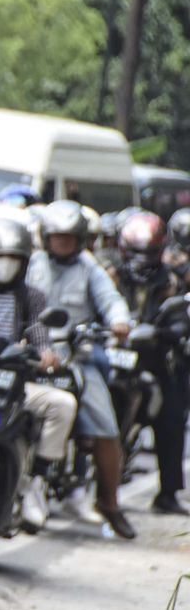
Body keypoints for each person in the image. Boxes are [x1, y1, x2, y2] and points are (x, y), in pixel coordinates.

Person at [0, 217, 78, 532]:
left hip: (14, 387)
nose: (6, 267)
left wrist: (47, 353)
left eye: (13, 260)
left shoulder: (31, 296)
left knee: (63, 404)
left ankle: (36, 484)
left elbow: (39, 329)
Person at [26, 200, 136, 539]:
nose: (62, 243)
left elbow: (111, 299)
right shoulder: (33, 264)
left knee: (105, 426)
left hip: (77, 356)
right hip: (35, 354)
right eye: (56, 237)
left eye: (68, 238)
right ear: (46, 237)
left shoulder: (89, 267)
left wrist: (119, 321)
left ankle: (110, 501)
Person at [111, 210, 189, 516]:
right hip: (116, 354)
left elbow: (182, 314)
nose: (142, 259)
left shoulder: (172, 279)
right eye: (136, 252)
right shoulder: (111, 276)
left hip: (157, 358)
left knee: (172, 415)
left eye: (149, 252)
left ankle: (168, 492)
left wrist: (166, 331)